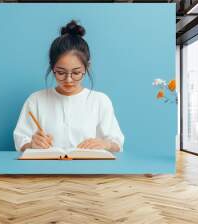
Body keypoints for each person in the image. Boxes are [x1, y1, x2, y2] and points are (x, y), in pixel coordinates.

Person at [13, 20, 124, 153]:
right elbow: (20, 140)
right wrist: (31, 144)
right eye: (61, 72)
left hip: (90, 170)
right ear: (52, 67)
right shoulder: (36, 99)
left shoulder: (100, 100)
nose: (68, 80)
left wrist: (106, 144)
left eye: (76, 72)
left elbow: (117, 143)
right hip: (46, 171)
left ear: (87, 67)